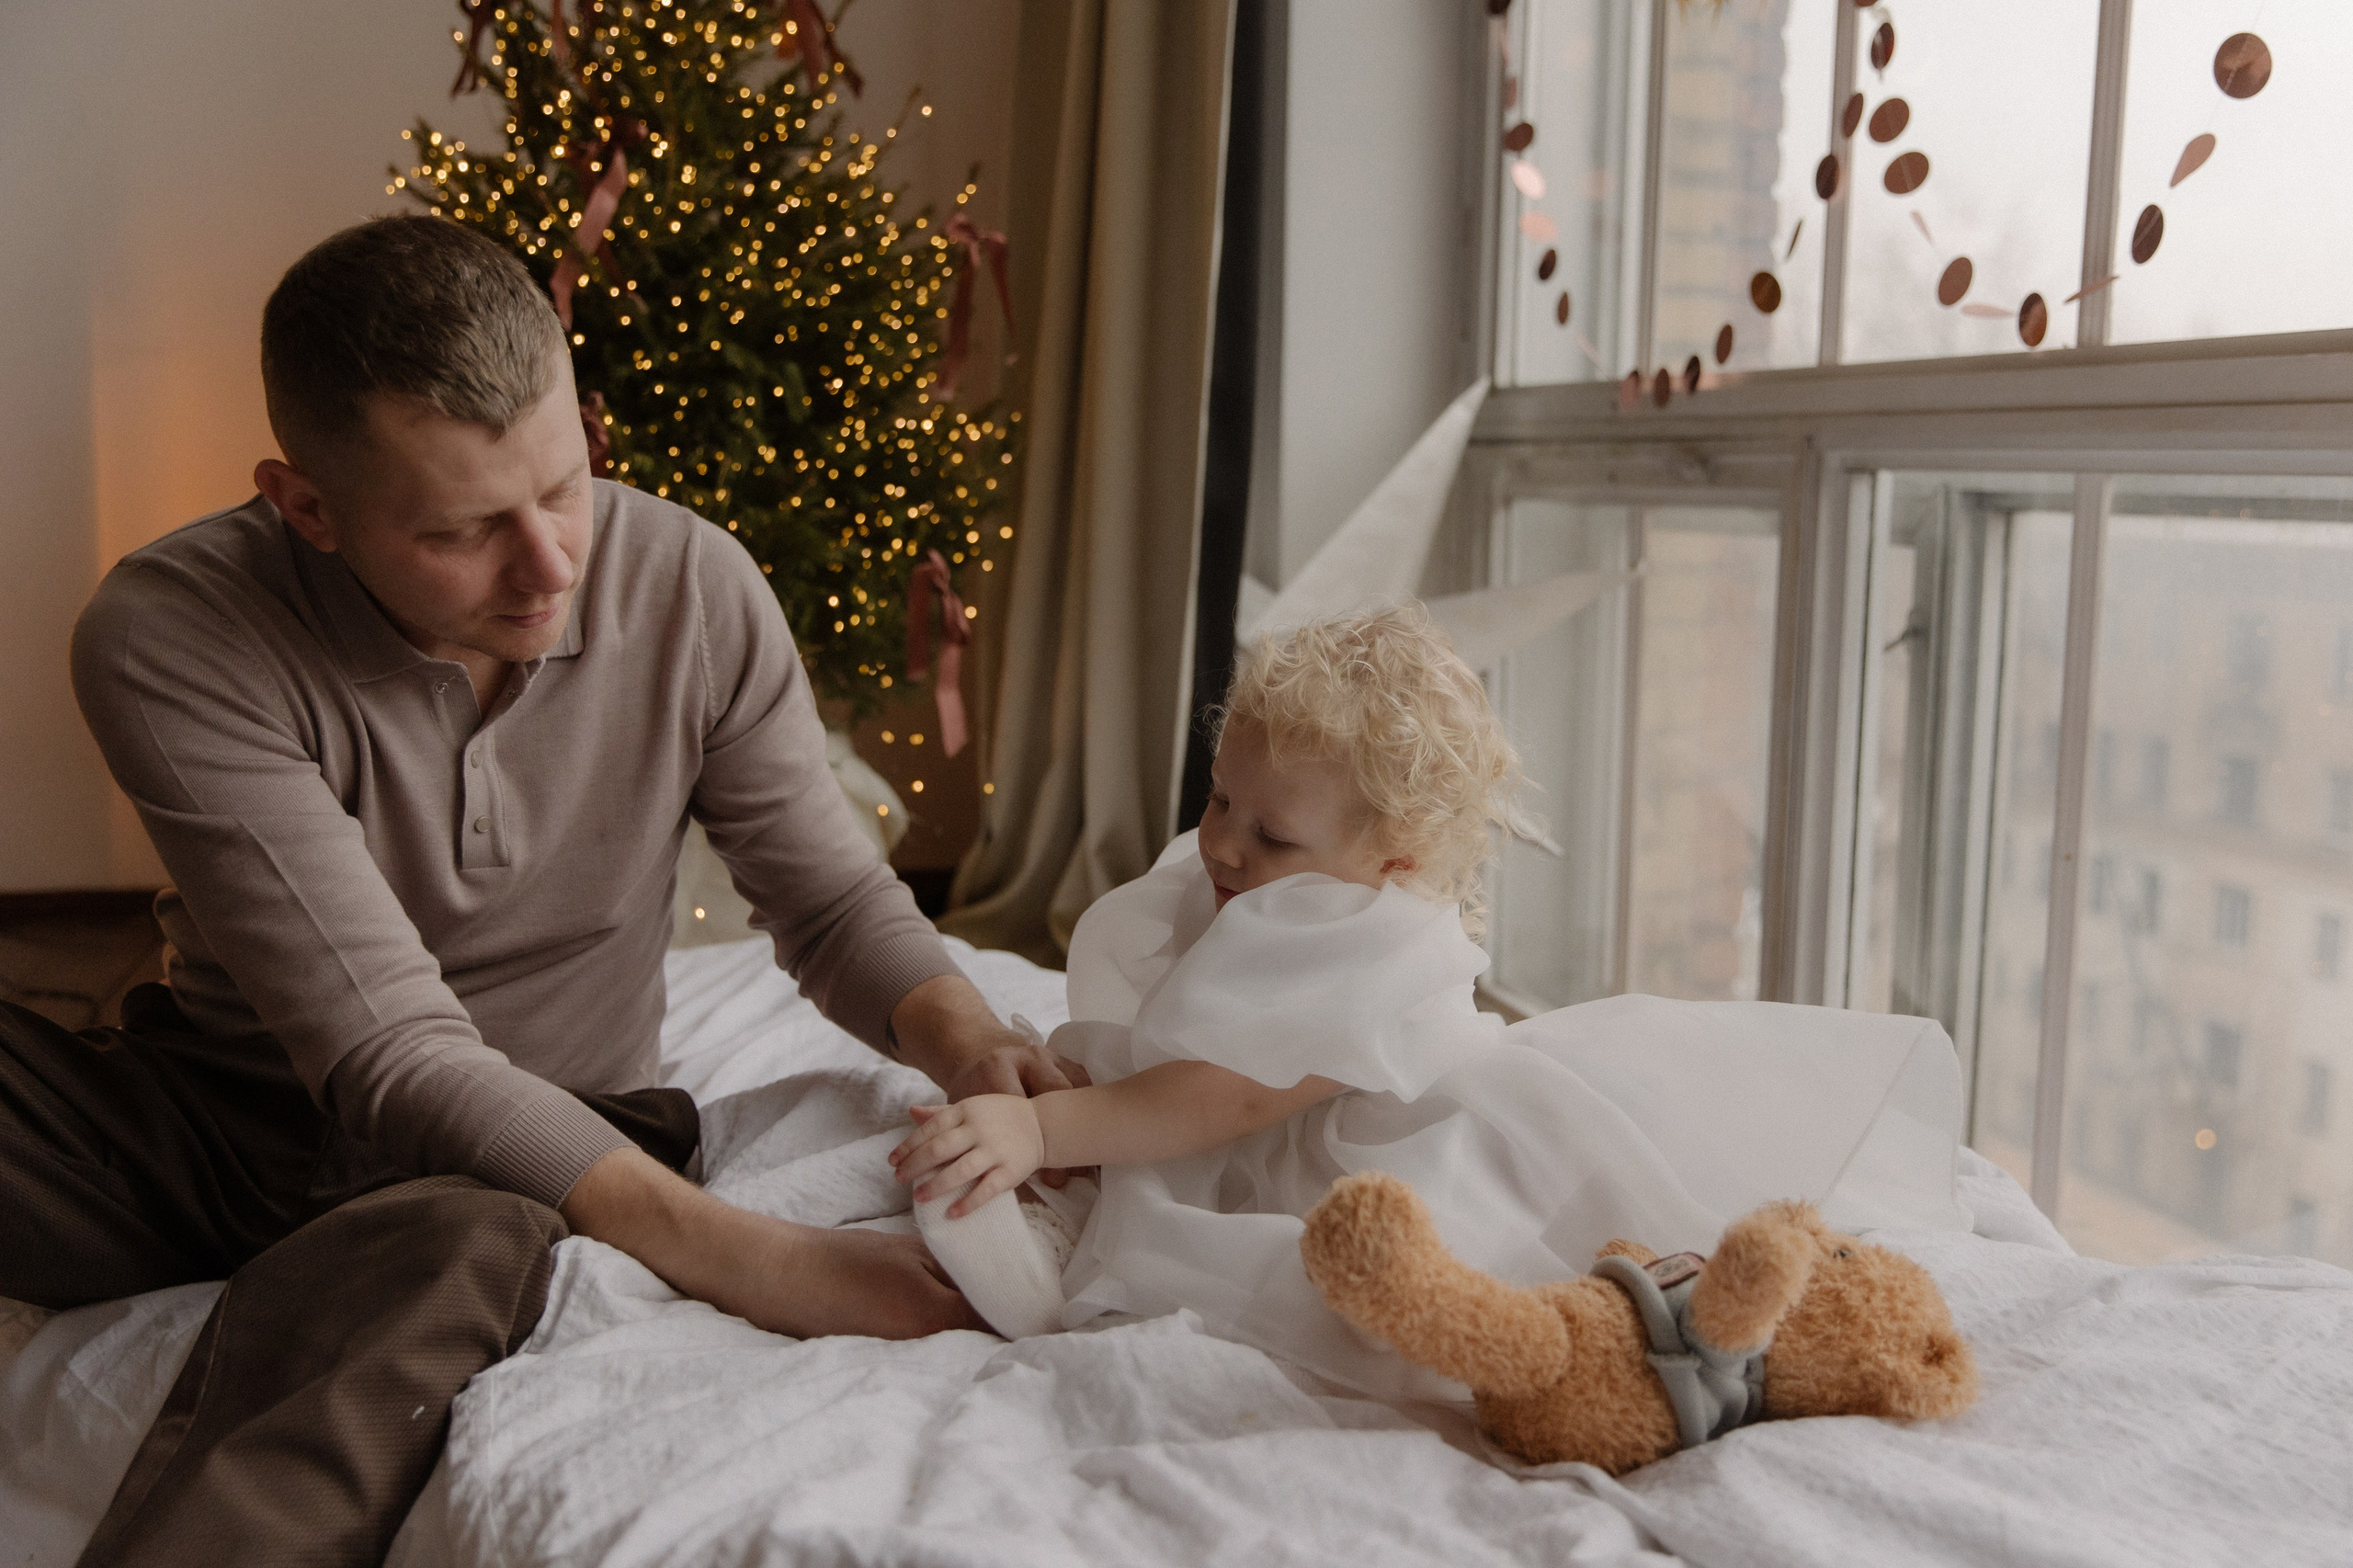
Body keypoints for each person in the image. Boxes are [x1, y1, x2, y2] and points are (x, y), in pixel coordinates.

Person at [0, 215, 1071, 1565]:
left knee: (447, 1251)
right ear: (305, 507)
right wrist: (763, 1258)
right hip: (221, 1120)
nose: (554, 565)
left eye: (567, 485)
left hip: (534, 1161)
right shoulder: (170, 630)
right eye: (464, 529)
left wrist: (973, 1041)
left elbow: (832, 904)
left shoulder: (692, 584)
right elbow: (391, 1049)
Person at [894, 604, 1968, 1400]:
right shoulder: (1269, 873)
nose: (1220, 841)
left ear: (1394, 859)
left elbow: (1221, 1097)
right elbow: (1187, 1033)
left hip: (1390, 1147)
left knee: (1455, 1278)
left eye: (1270, 834)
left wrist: (1044, 1128)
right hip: (1243, 1108)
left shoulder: (1362, 946)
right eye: (1219, 797)